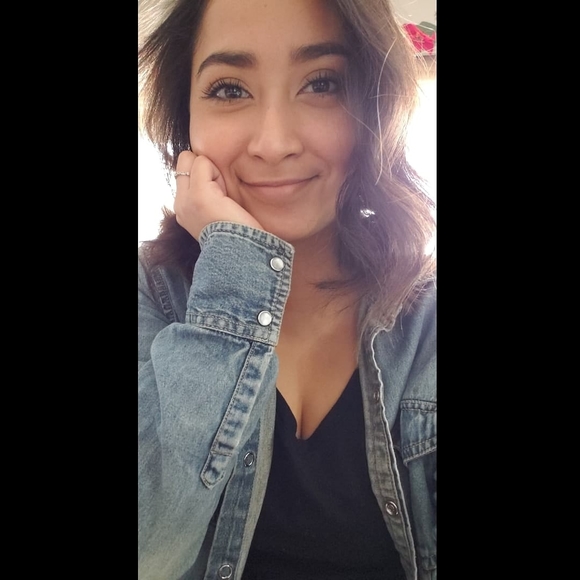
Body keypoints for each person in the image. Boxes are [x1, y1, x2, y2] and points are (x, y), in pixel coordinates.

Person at [138, 0, 436, 578]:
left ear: (377, 107)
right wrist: (237, 278)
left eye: (322, 83)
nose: (273, 144)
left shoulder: (426, 318)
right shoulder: (150, 294)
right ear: (184, 120)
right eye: (230, 89)